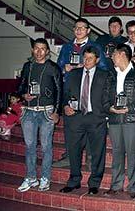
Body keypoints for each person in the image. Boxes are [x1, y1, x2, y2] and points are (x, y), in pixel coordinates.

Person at [54, 17, 107, 168]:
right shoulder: (66, 47)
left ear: (88, 30)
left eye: (82, 28)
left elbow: (103, 67)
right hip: (71, 89)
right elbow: (58, 67)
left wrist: (88, 66)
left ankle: (90, 157)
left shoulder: (95, 46)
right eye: (76, 28)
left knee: (90, 124)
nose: (79, 30)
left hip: (89, 89)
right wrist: (65, 69)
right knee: (71, 125)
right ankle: (70, 156)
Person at [103, 44, 135, 199]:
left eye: (114, 54)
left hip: (132, 119)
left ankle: (133, 187)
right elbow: (104, 95)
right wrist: (110, 108)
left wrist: (130, 108)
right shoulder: (111, 74)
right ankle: (116, 185)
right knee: (117, 153)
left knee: (132, 154)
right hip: (115, 118)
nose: (111, 57)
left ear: (122, 54)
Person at [59, 46, 111, 195]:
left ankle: (94, 183)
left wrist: (104, 114)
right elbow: (65, 94)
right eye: (85, 58)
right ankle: (74, 180)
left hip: (96, 119)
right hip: (75, 118)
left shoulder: (105, 75)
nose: (87, 61)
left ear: (97, 60)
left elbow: (109, 97)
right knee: (74, 151)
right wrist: (65, 106)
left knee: (97, 153)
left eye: (90, 58)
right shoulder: (74, 74)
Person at [17, 38, 62, 192]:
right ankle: (30, 178)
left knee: (45, 147)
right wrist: (24, 95)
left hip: (46, 112)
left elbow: (59, 91)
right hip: (28, 112)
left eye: (43, 49)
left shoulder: (53, 67)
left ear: (47, 51)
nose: (39, 51)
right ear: (32, 50)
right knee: (29, 146)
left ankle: (45, 178)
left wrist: (56, 112)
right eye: (36, 48)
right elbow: (20, 86)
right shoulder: (27, 66)